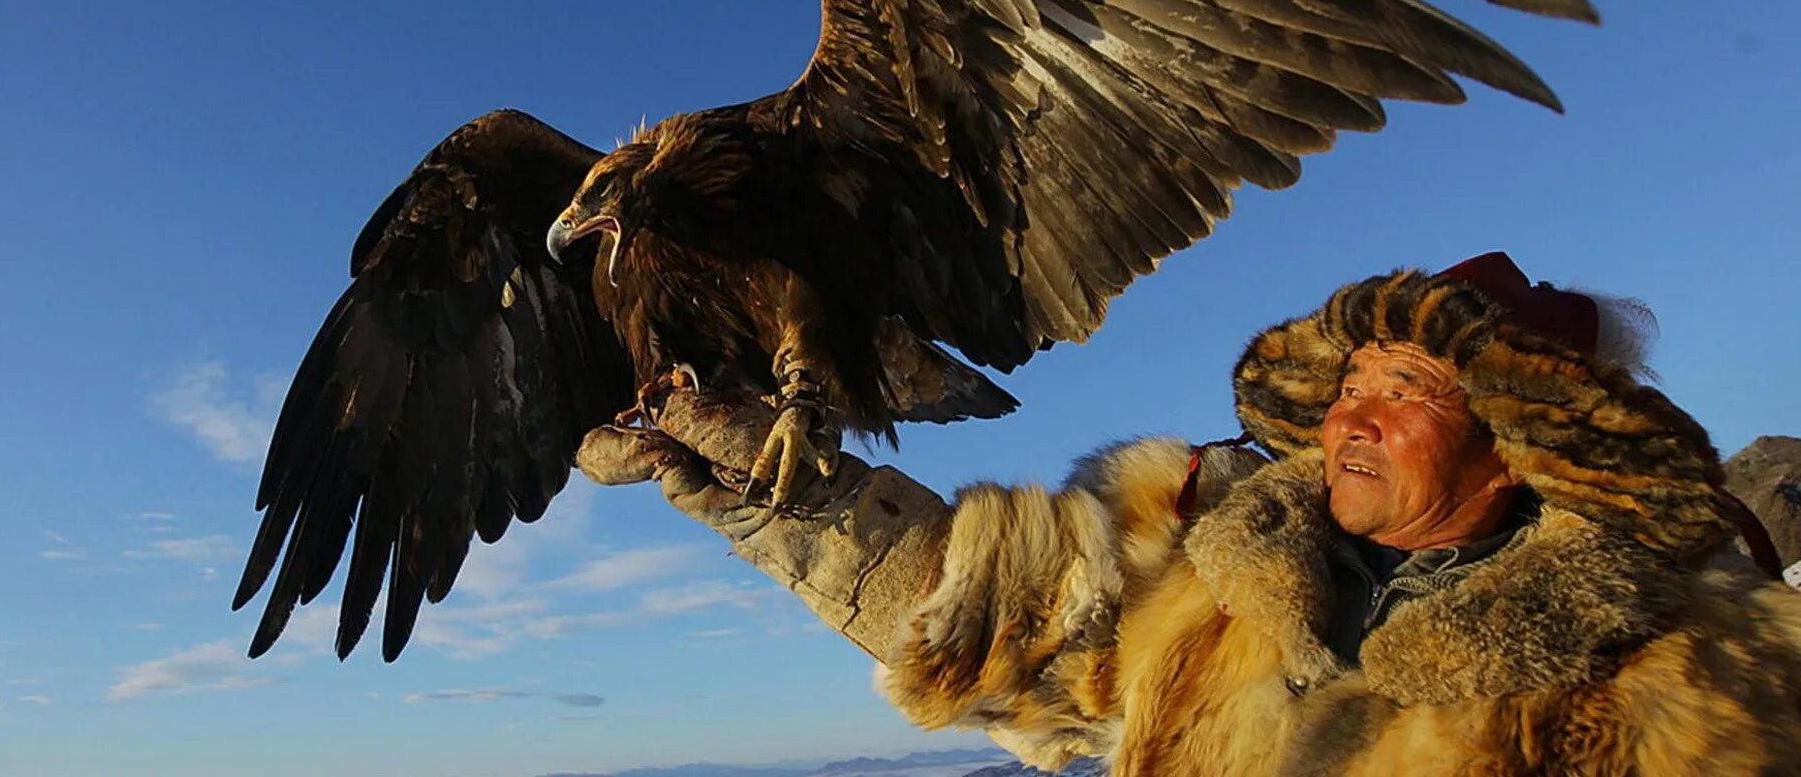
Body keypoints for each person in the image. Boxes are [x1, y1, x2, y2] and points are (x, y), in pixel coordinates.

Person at [578, 255, 1801, 775]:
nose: (1347, 421)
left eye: (1407, 390)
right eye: (1346, 388)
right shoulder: (1220, 554)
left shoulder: (1685, 689)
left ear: (1526, 438)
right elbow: (985, 611)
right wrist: (763, 485)